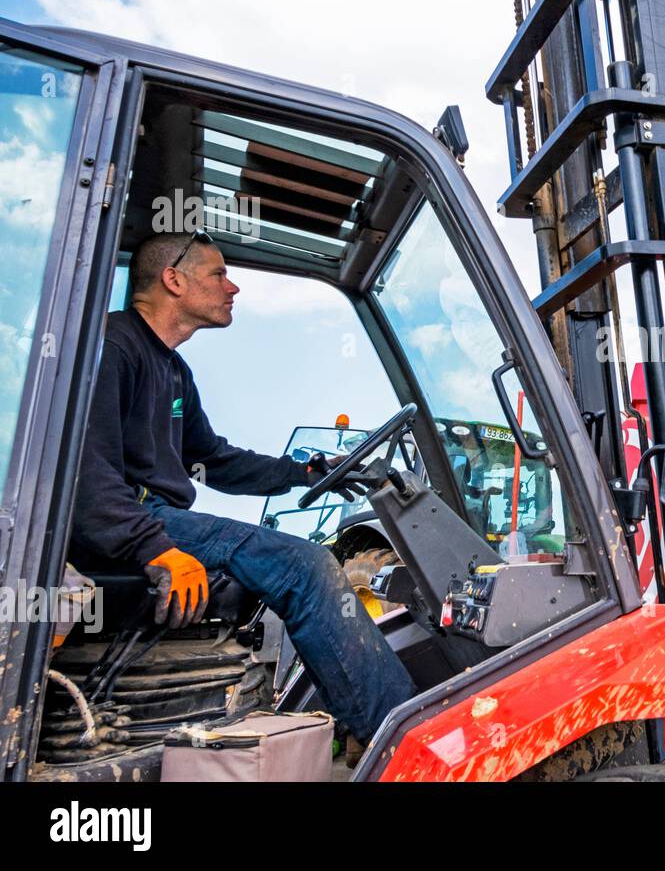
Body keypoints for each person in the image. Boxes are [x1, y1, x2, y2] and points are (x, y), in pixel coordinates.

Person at [71, 230, 416, 747]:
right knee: (304, 564)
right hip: (130, 521)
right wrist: (154, 547)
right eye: (219, 274)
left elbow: (213, 460)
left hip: (153, 519)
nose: (233, 288)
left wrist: (307, 473)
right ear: (173, 280)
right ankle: (404, 740)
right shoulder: (113, 346)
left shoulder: (173, 370)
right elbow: (85, 476)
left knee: (294, 562)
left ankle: (341, 723)